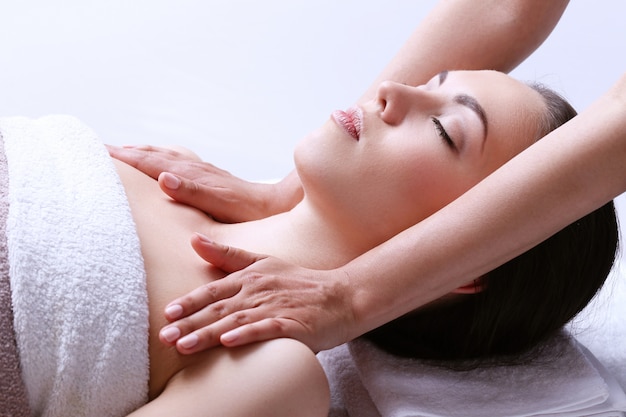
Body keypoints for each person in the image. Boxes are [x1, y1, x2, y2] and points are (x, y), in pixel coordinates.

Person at [109, 0, 600, 355]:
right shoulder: (168, 175)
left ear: (474, 261)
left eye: (443, 131)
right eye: (430, 84)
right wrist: (286, 194)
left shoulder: (261, 367)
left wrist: (353, 295)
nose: (390, 90)